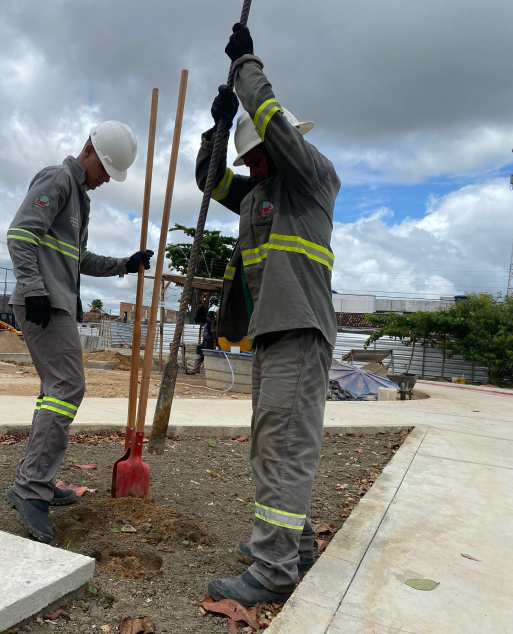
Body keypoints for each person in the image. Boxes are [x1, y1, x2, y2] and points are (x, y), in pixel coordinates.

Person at [195, 24, 339, 606]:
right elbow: (209, 180)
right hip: (270, 334)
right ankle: (294, 542)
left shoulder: (311, 178)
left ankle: (274, 569)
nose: (250, 167)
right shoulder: (257, 194)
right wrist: (221, 123)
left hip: (301, 329)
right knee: (270, 441)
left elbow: (274, 122)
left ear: (271, 150)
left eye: (255, 157)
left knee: (282, 445)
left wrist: (244, 67)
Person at [5, 121, 154, 543]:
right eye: (105, 167)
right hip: (43, 303)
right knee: (68, 388)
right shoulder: (58, 179)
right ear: (87, 148)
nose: (107, 178)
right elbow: (20, 234)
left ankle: (35, 480)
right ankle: (30, 489)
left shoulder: (80, 201)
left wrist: (125, 264)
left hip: (54, 302)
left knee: (56, 391)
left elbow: (79, 258)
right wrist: (33, 288)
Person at [187, 310, 217, 375]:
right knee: (199, 358)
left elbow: (213, 331)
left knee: (210, 360)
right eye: (209, 317)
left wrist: (213, 323)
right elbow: (204, 333)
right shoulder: (206, 324)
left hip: (213, 344)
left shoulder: (216, 324)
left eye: (211, 317)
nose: (210, 319)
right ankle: (193, 371)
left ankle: (209, 373)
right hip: (205, 342)